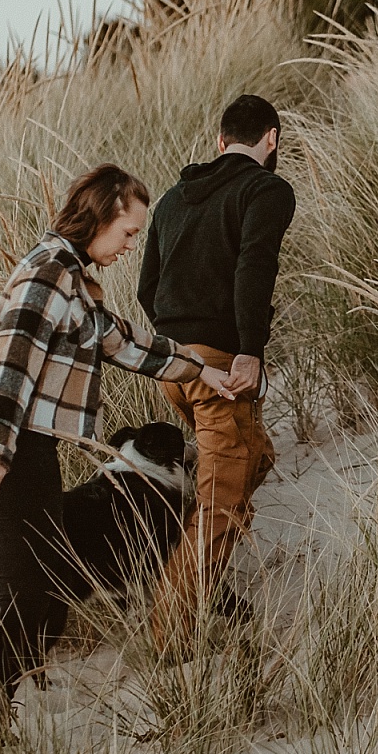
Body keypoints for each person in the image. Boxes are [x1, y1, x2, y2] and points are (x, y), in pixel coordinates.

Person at [0, 163, 235, 710]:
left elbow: (121, 341)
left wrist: (197, 367)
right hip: (8, 443)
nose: (130, 246)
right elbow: (11, 364)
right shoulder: (50, 274)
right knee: (28, 594)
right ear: (101, 215)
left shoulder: (71, 279)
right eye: (128, 232)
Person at [138, 94, 296, 652]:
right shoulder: (267, 189)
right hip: (221, 371)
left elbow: (144, 289)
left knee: (256, 459)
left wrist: (181, 348)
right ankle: (171, 637)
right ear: (271, 139)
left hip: (173, 367)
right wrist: (247, 348)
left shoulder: (173, 200)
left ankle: (191, 570)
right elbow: (257, 264)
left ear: (221, 140)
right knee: (222, 503)